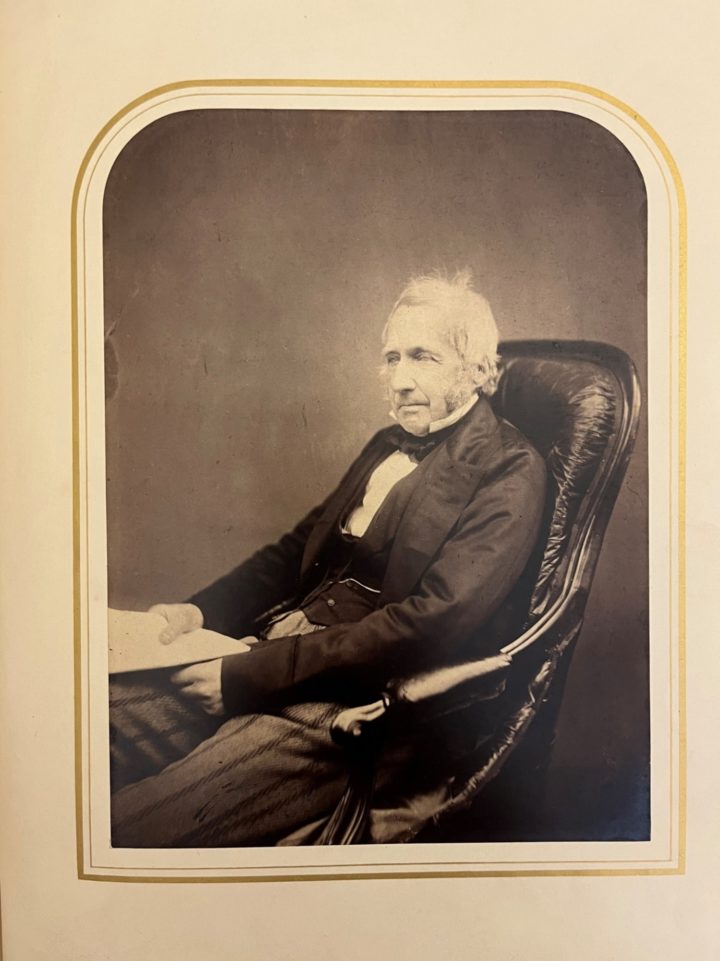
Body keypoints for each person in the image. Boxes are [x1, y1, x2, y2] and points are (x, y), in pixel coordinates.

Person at [109, 269, 547, 847]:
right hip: (265, 655)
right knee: (86, 729)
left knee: (136, 829)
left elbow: (429, 625)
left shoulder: (510, 470)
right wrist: (198, 613)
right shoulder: (386, 443)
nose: (401, 380)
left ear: (477, 371)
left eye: (423, 357)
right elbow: (296, 551)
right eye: (391, 358)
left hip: (356, 708)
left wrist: (246, 677)